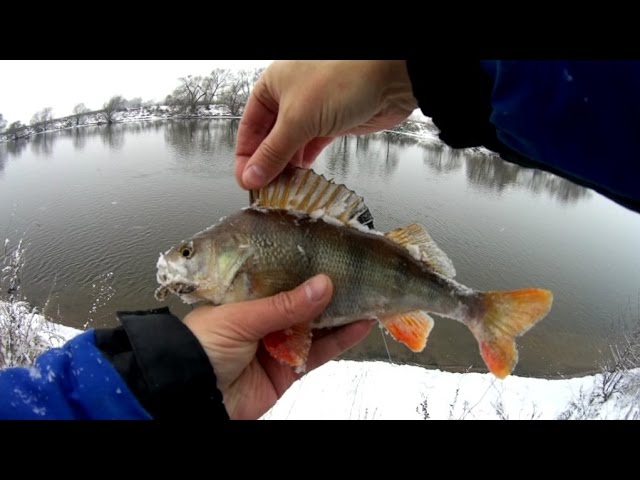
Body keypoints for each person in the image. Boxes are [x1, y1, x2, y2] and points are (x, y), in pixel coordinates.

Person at [2, 60, 639, 420]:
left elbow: (288, 318)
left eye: (192, 253)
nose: (184, 261)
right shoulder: (246, 250)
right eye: (186, 255)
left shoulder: (251, 252)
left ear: (227, 252)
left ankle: (479, 311)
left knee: (419, 302)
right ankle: (475, 310)